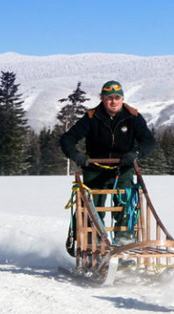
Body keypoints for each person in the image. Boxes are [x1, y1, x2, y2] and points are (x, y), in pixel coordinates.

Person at [60, 80, 157, 251]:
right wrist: (76, 156)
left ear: (122, 99)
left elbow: (149, 142)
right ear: (102, 99)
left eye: (117, 98)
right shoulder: (91, 117)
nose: (113, 101)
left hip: (123, 168)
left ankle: (124, 242)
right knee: (93, 207)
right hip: (95, 169)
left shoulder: (132, 116)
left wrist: (135, 153)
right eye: (109, 98)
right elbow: (67, 139)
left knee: (125, 204)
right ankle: (93, 244)